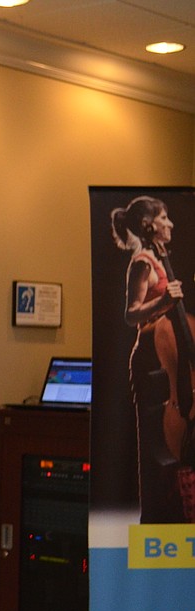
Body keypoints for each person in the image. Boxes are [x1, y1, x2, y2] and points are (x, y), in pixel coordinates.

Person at [112, 195, 195, 523]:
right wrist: (164, 303)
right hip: (151, 364)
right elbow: (131, 315)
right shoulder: (143, 262)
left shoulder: (161, 258)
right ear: (149, 226)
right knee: (154, 452)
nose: (170, 224)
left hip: (167, 362)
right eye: (164, 218)